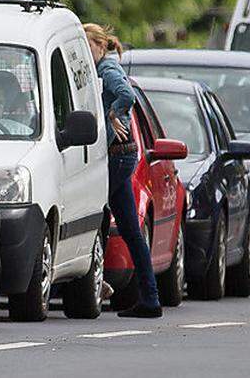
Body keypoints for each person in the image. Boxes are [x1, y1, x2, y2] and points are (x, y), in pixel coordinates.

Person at [83, 22, 162, 318]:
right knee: (130, 228)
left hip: (117, 154)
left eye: (88, 45)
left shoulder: (108, 70)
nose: (85, 51)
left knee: (91, 212)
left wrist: (113, 113)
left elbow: (127, 95)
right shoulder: (101, 69)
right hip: (124, 155)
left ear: (101, 46)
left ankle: (94, 280)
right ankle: (150, 298)